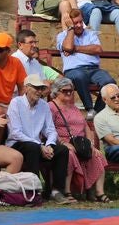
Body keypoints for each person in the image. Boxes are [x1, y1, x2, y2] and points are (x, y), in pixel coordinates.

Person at [6, 75, 75, 203]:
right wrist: (40, 145)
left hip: (37, 145)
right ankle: (34, 191)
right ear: (26, 88)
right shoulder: (16, 102)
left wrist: (49, 145)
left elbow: (50, 130)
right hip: (17, 144)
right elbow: (16, 133)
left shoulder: (44, 105)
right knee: (32, 148)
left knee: (62, 150)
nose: (39, 91)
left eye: (41, 88)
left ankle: (56, 191)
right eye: (36, 88)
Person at [48, 78, 108, 201]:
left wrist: (91, 144)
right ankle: (67, 191)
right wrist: (63, 143)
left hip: (80, 142)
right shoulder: (51, 107)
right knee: (69, 154)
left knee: (97, 155)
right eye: (65, 91)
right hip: (62, 142)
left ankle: (98, 192)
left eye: (71, 90)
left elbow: (85, 126)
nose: (69, 93)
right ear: (56, 92)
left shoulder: (73, 107)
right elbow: (49, 129)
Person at [55, 9, 117, 113]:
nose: (79, 25)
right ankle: (90, 109)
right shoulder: (62, 36)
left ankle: (98, 111)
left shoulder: (90, 34)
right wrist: (70, 29)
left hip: (94, 70)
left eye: (81, 22)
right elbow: (68, 47)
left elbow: (98, 49)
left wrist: (76, 48)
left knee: (109, 82)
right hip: (73, 71)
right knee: (79, 76)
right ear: (69, 23)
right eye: (75, 23)